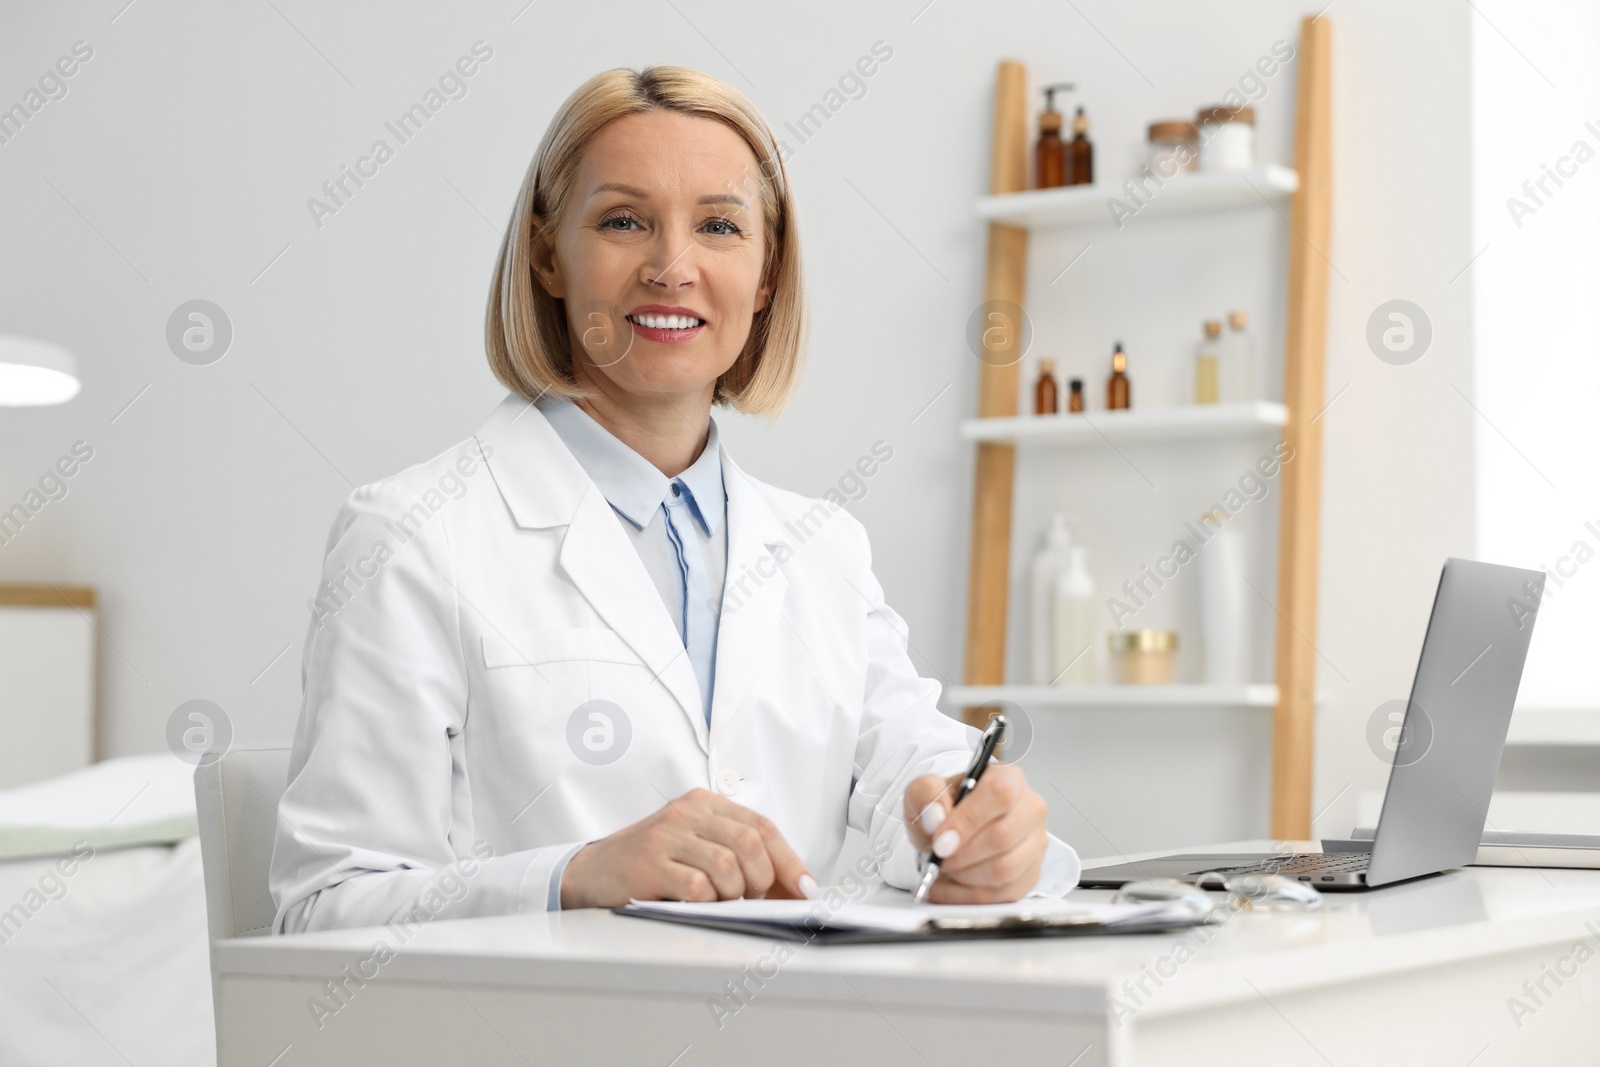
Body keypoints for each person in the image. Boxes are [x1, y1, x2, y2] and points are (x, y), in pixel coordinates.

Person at [269, 65, 1079, 933]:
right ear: (547, 255)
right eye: (624, 221)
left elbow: (919, 783)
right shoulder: (412, 536)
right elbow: (322, 913)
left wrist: (980, 835)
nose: (672, 267)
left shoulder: (822, 548)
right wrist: (576, 875)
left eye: (720, 227)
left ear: (766, 275)